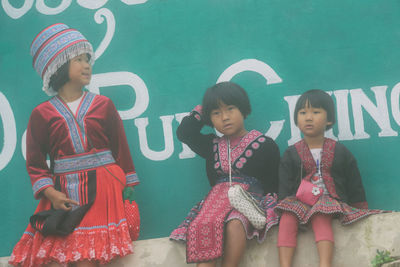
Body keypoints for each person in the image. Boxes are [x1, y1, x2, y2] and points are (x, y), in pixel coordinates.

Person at [9, 23, 140, 267]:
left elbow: (120, 148)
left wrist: (128, 187)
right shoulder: (42, 114)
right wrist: (51, 194)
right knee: (58, 259)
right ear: (58, 66)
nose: (87, 65)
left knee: (88, 259)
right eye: (78, 59)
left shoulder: (104, 105)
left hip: (104, 188)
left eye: (87, 59)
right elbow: (36, 163)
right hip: (64, 194)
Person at [170, 81, 280, 267]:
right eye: (216, 113)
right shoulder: (211, 145)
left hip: (249, 202)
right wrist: (201, 113)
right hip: (215, 203)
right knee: (203, 225)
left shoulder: (265, 144)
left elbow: (273, 182)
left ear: (243, 109)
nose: (225, 117)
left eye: (230, 109)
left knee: (235, 223)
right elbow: (184, 133)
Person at [275, 89, 384, 267]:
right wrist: (285, 203)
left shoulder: (341, 152)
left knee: (321, 214)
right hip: (300, 202)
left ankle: (325, 264)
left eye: (316, 112)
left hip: (329, 202)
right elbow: (285, 184)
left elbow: (354, 183)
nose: (308, 118)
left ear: (329, 120)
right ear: (296, 119)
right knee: (287, 216)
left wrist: (360, 208)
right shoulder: (291, 153)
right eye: (303, 113)